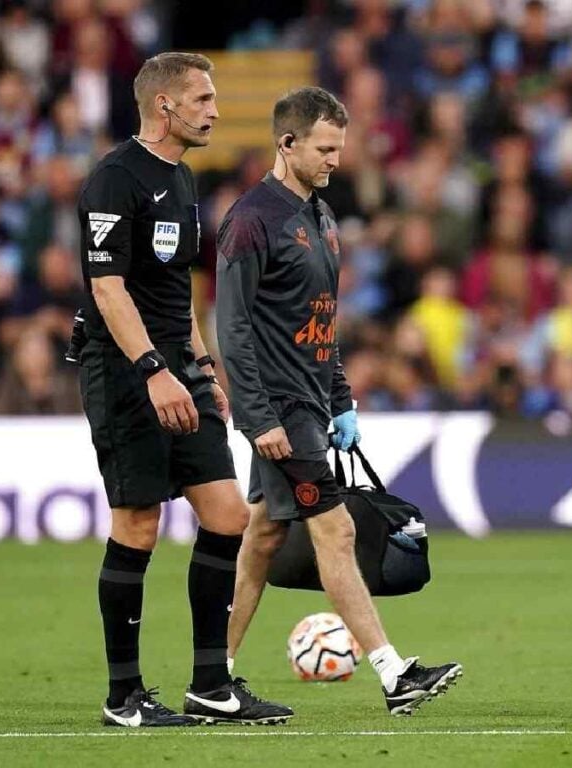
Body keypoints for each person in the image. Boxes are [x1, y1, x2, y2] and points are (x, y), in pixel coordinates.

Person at [215, 86, 462, 716]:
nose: (335, 160)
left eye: (340, 149)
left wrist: (342, 398)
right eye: (325, 149)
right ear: (287, 143)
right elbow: (233, 326)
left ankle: (213, 676)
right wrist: (257, 416)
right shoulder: (251, 220)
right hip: (279, 408)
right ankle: (393, 672)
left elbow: (323, 320)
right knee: (337, 526)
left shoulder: (321, 217)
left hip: (310, 403)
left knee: (264, 537)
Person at [75, 52, 291, 727]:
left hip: (176, 366)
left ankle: (210, 685)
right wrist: (152, 369)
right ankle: (123, 696)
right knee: (139, 524)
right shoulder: (114, 179)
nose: (215, 110)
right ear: (163, 105)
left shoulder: (184, 178)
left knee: (228, 514)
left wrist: (201, 364)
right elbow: (106, 287)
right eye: (201, 98)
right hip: (124, 369)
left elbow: (177, 289)